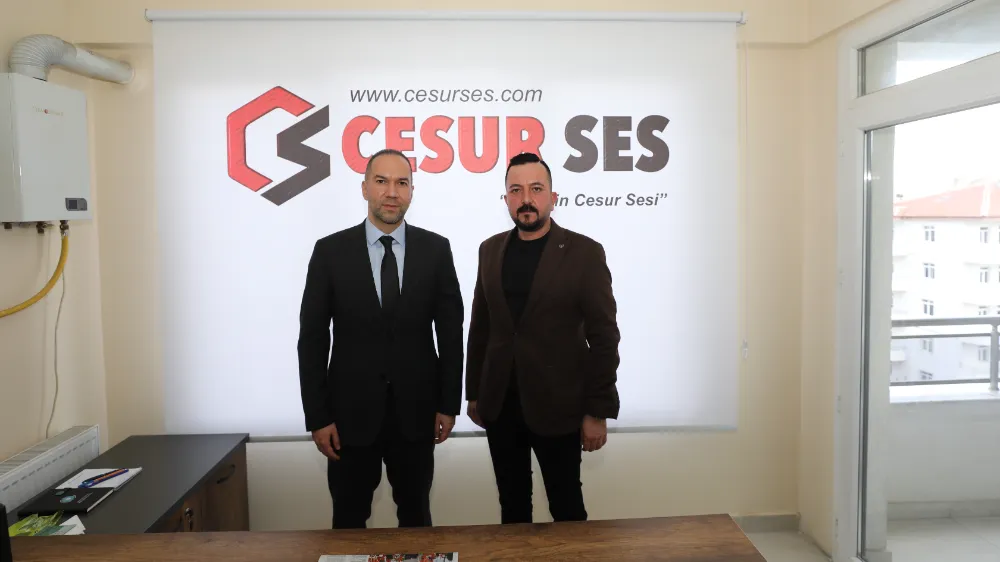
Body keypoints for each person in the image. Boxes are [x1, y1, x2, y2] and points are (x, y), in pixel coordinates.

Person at [297, 148, 464, 529]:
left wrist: (448, 404)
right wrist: (318, 417)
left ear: (412, 191)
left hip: (417, 416)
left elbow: (451, 334)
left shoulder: (436, 250)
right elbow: (312, 341)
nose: (392, 192)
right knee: (348, 524)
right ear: (364, 188)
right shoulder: (329, 252)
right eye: (381, 181)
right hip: (348, 420)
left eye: (402, 183)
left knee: (417, 520)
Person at [465, 152, 621, 524]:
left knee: (567, 509)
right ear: (506, 199)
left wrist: (597, 411)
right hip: (501, 406)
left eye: (536, 189)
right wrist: (474, 393)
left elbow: (604, 337)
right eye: (516, 190)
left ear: (553, 197)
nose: (526, 199)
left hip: (560, 407)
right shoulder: (489, 250)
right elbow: (481, 327)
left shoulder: (585, 253)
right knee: (512, 509)